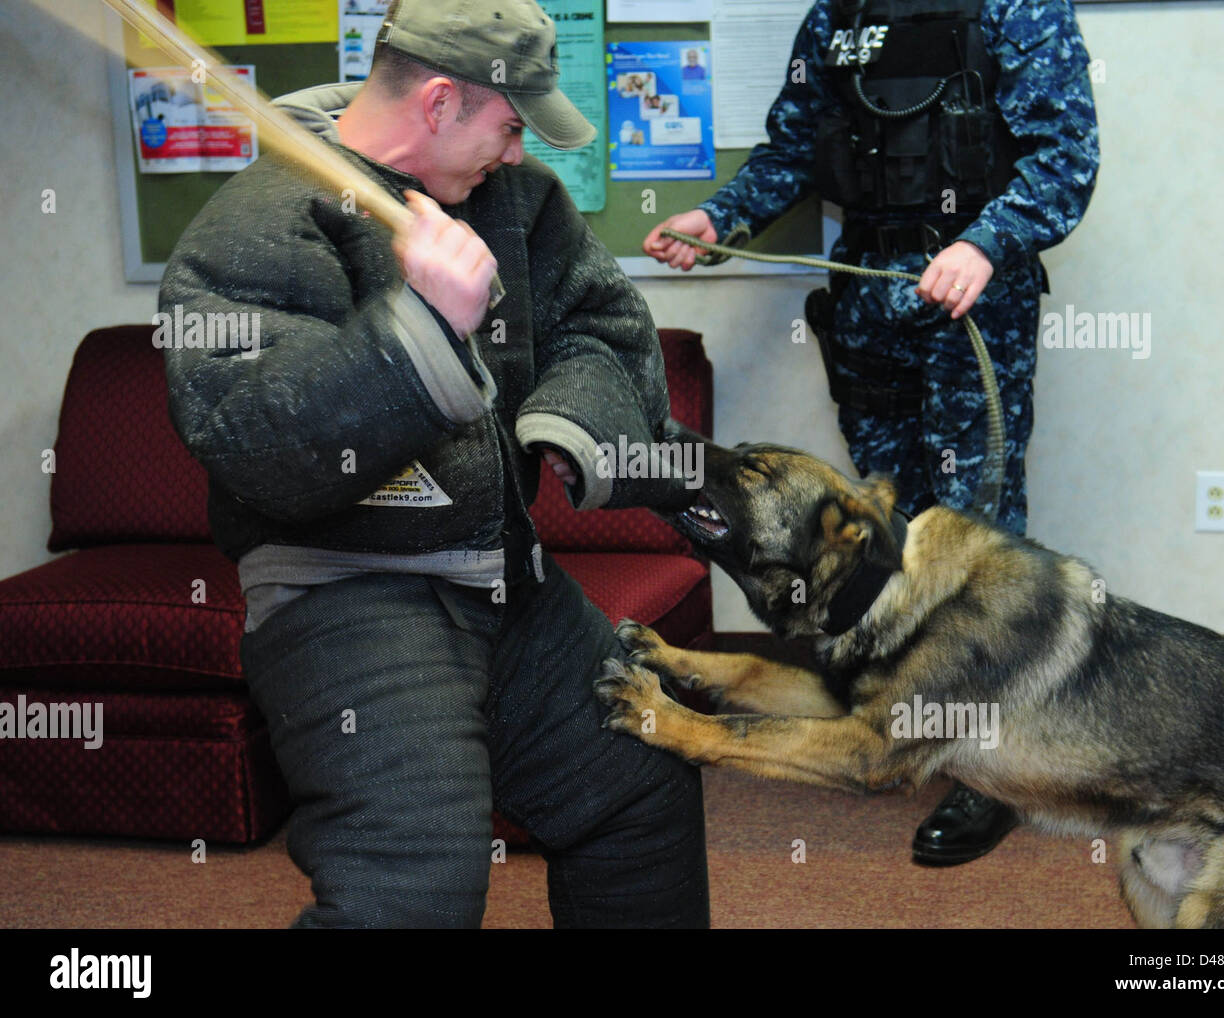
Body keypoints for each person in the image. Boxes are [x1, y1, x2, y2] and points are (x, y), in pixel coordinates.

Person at [160, 0, 709, 927]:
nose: (518, 150)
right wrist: (421, 327)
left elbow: (599, 323)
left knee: (640, 782)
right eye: (509, 124)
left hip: (506, 584)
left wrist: (569, 425)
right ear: (443, 101)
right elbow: (256, 441)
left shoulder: (518, 203)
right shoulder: (258, 218)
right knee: (412, 890)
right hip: (348, 595)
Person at [644, 0, 1099, 866]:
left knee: (978, 545)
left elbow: (1065, 157)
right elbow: (793, 147)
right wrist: (720, 219)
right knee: (882, 539)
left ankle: (988, 772)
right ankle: (895, 723)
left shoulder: (1018, 8)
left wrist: (987, 242)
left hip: (972, 307)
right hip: (868, 308)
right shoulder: (837, 15)